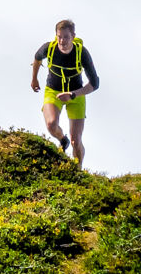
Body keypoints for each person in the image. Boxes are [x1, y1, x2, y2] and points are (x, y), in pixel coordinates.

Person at [30, 18, 98, 165]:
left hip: (76, 94)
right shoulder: (49, 48)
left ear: (73, 36)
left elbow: (95, 83)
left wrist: (73, 94)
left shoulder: (82, 53)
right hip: (53, 91)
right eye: (59, 37)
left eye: (66, 37)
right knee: (51, 124)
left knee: (76, 141)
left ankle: (78, 170)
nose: (62, 41)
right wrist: (34, 79)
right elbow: (37, 58)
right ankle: (62, 139)